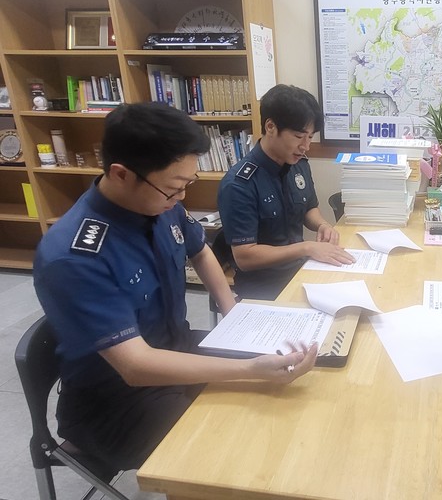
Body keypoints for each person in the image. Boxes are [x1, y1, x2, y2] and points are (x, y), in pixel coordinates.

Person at [33, 102, 317, 473]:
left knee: (280, 389)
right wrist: (249, 368)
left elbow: (200, 250)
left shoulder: (159, 203)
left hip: (176, 348)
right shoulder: (74, 256)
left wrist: (231, 309)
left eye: (187, 185)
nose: (181, 198)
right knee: (237, 443)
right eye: (173, 188)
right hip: (116, 402)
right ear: (121, 174)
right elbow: (136, 367)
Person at [218, 85, 354, 300]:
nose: (306, 146)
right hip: (264, 288)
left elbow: (309, 208)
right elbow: (245, 257)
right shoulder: (239, 184)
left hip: (300, 271)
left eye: (310, 137)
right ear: (271, 127)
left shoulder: (299, 164)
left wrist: (323, 225)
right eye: (299, 136)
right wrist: (306, 248)